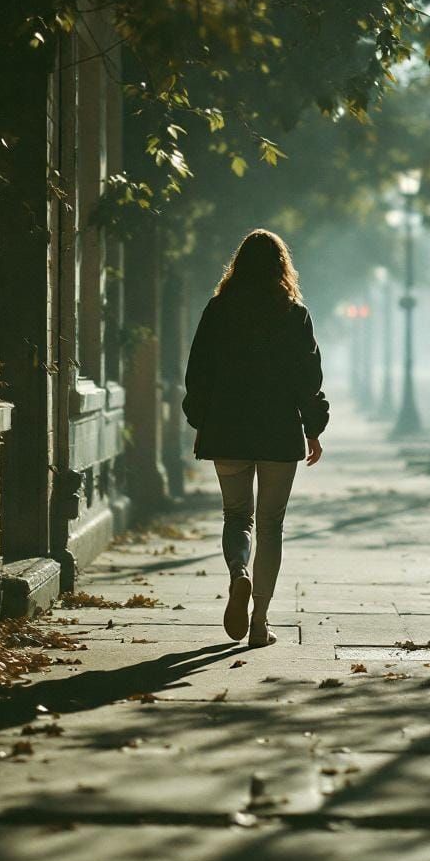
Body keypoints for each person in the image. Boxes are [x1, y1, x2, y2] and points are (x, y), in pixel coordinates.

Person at [182, 229, 329, 647]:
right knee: (271, 525)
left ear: (238, 265)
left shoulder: (218, 309)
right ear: (281, 267)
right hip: (278, 431)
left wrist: (201, 419)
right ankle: (260, 622)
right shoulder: (293, 313)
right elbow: (308, 378)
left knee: (235, 516)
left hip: (227, 428)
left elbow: (199, 372)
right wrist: (313, 428)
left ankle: (237, 573)